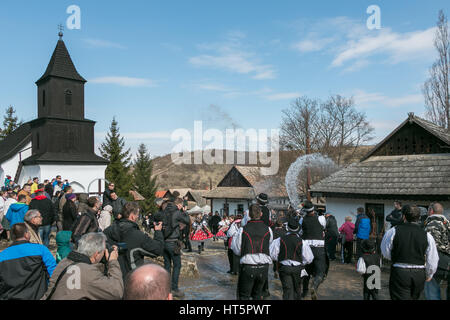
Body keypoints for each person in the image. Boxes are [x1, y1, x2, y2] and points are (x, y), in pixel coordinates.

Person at [42, 232, 124, 300]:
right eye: (103, 252)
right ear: (96, 254)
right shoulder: (88, 272)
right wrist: (113, 261)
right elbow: (116, 292)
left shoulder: (64, 262)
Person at [381, 205, 439, 300]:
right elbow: (433, 258)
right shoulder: (427, 235)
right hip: (419, 273)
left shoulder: (393, 232)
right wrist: (429, 274)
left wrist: (397, 258)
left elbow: (386, 252)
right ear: (419, 217)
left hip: (400, 271)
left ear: (403, 216)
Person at [103, 202, 164, 280]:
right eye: (137, 215)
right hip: (131, 280)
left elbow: (124, 245)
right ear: (132, 216)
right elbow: (158, 249)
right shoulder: (137, 235)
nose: (138, 217)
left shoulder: (107, 232)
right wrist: (158, 232)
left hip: (111, 278)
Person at [0, 223, 56, 300]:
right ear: (26, 234)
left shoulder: (2, 255)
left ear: (12, 237)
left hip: (10, 296)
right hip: (38, 296)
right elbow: (54, 273)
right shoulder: (40, 249)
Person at [231, 204, 273, 300]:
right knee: (258, 296)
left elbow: (236, 249)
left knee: (244, 297)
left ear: (249, 214)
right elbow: (269, 245)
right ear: (261, 214)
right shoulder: (268, 230)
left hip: (248, 267)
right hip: (263, 267)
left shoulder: (242, 230)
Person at [270, 216, 314, 300]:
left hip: (284, 268)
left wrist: (281, 258)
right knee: (297, 290)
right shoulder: (302, 242)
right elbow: (309, 258)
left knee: (287, 290)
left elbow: (272, 255)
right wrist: (301, 262)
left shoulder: (279, 240)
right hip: (297, 268)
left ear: (287, 228)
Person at [159, 197, 190, 297]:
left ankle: (166, 288)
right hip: (173, 242)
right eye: (181, 206)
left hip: (164, 241)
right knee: (177, 265)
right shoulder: (177, 212)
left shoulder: (165, 211)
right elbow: (187, 220)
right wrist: (184, 212)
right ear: (179, 205)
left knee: (167, 265)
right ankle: (174, 289)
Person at [300, 200, 328, 300]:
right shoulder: (321, 218)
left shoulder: (303, 220)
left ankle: (304, 293)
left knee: (307, 271)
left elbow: (301, 231)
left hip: (307, 248)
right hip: (319, 248)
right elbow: (323, 228)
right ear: (313, 210)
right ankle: (314, 286)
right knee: (321, 271)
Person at [423, 202, 450, 300]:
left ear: (431, 211)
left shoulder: (430, 225)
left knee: (432, 292)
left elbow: (429, 247)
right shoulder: (447, 224)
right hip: (448, 261)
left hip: (437, 262)